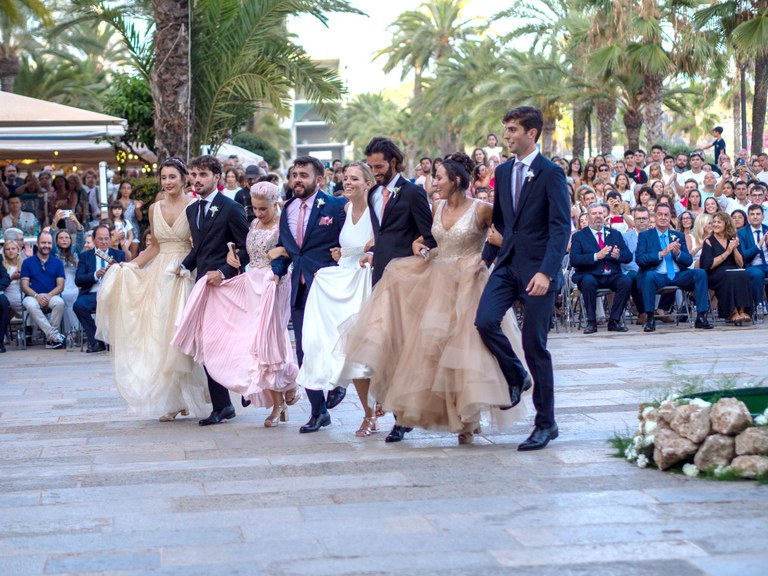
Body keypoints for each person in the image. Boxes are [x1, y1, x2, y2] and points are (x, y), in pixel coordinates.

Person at [342, 152, 525, 445]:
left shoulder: (483, 209)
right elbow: (429, 237)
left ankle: (466, 421)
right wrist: (419, 244)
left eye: (439, 177)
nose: (434, 182)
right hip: (436, 279)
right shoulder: (436, 206)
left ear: (455, 180)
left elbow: (508, 237)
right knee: (422, 350)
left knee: (464, 352)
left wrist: (488, 257)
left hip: (469, 281)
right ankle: (405, 416)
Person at [476, 105, 571, 452]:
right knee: (484, 321)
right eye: (506, 129)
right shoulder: (501, 173)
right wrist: (483, 261)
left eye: (513, 129)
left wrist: (547, 272)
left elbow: (561, 227)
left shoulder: (551, 173)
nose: (507, 136)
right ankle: (516, 375)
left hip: (539, 272)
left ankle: (546, 423)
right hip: (507, 266)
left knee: (535, 345)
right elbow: (501, 225)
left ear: (532, 134)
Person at [173, 181, 300, 426]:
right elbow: (245, 250)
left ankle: (287, 385)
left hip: (274, 284)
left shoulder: (283, 226)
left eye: (264, 209)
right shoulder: (252, 223)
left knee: (270, 338)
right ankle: (277, 399)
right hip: (251, 283)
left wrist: (276, 271)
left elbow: (288, 254)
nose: (259, 213)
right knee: (254, 341)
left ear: (275, 204)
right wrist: (234, 257)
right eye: (255, 208)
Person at [96, 158, 210, 420]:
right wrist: (131, 266)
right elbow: (155, 247)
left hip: (185, 273)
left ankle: (192, 394)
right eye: (163, 177)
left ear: (184, 179)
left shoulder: (195, 205)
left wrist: (187, 267)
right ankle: (171, 401)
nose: (167, 182)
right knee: (160, 336)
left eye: (172, 177)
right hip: (160, 275)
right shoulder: (153, 209)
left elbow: (199, 245)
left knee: (182, 334)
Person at [359, 136, 437, 443]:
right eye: (371, 166)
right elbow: (382, 234)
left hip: (408, 283)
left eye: (379, 166)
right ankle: (398, 415)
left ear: (394, 162)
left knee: (406, 350)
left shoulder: (414, 192)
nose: (375, 172)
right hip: (380, 281)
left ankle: (403, 418)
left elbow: (430, 235)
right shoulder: (373, 194)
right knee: (386, 351)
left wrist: (419, 248)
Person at [298, 162, 377, 436]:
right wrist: (339, 254)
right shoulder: (345, 209)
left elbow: (385, 243)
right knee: (349, 352)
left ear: (368, 183)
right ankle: (369, 414)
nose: (348, 182)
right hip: (345, 279)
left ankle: (381, 405)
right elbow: (346, 245)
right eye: (346, 178)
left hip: (367, 280)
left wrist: (369, 253)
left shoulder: (377, 210)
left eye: (355, 178)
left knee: (369, 351)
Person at [270, 156, 347, 433]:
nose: (298, 180)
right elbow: (286, 247)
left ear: (320, 178)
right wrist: (276, 271)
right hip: (299, 288)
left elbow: (347, 242)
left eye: (304, 174)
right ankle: (318, 411)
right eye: (294, 175)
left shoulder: (337, 207)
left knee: (332, 343)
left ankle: (339, 384)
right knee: (304, 349)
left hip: (327, 287)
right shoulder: (287, 207)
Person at [174, 155, 250, 426]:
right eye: (193, 174)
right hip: (203, 286)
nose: (196, 180)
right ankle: (222, 406)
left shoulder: (230, 208)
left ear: (216, 177)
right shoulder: (192, 210)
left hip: (227, 287)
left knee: (233, 343)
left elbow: (247, 247)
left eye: (202, 174)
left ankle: (246, 385)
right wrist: (183, 266)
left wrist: (224, 272)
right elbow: (199, 248)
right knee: (208, 345)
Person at [636, 203, 713, 332]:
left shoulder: (678, 235)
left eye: (666, 215)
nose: (663, 217)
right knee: (648, 276)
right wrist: (662, 253)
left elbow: (688, 260)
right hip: (657, 274)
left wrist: (678, 254)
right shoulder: (645, 236)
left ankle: (701, 316)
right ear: (654, 216)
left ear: (670, 217)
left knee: (700, 273)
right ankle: (650, 318)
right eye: (660, 214)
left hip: (678, 274)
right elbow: (640, 259)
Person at [570, 203, 632, 334]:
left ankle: (614, 320)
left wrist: (618, 255)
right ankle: (591, 322)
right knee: (588, 282)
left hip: (612, 274)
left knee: (626, 281)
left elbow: (628, 256)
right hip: (590, 274)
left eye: (600, 213)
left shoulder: (615, 234)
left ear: (604, 215)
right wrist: (595, 256)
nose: (598, 216)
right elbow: (574, 260)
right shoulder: (579, 236)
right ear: (587, 217)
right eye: (594, 213)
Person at [73, 225, 125, 353]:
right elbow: (78, 279)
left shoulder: (118, 255)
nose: (104, 242)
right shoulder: (85, 256)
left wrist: (117, 270)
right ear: (94, 239)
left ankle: (118, 341)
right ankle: (96, 341)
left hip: (112, 294)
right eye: (100, 239)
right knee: (78, 305)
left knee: (124, 304)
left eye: (106, 238)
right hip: (92, 294)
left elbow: (125, 278)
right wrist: (95, 274)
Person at [700, 211, 751, 324]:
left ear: (726, 224)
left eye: (719, 222)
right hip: (715, 273)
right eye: (714, 222)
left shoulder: (732, 239)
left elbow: (741, 263)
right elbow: (708, 265)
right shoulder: (709, 241)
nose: (716, 224)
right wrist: (727, 252)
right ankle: (732, 312)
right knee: (728, 276)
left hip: (732, 270)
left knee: (743, 273)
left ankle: (742, 311)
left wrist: (734, 249)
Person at [20, 230, 67, 348]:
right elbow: (24, 285)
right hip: (32, 296)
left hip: (51, 295)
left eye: (49, 243)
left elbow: (60, 286)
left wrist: (48, 296)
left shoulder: (57, 262)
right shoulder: (27, 262)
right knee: (31, 305)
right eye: (43, 243)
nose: (46, 246)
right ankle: (54, 337)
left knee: (60, 302)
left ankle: (52, 339)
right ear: (37, 243)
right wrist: (37, 296)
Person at [51, 211, 85, 332]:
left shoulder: (76, 250)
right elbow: (52, 237)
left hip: (75, 285)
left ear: (71, 240)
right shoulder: (54, 253)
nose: (64, 240)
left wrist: (75, 221)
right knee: (64, 298)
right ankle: (69, 331)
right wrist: (55, 222)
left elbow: (81, 237)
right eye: (61, 238)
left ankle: (77, 330)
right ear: (57, 241)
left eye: (67, 237)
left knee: (75, 297)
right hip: (61, 286)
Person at [738, 204, 768, 311]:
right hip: (752, 265)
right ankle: (759, 306)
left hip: (767, 264)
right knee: (756, 274)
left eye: (758, 214)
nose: (755, 217)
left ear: (763, 216)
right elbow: (743, 256)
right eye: (752, 214)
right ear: (748, 217)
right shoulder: (741, 233)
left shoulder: (767, 229)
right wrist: (758, 246)